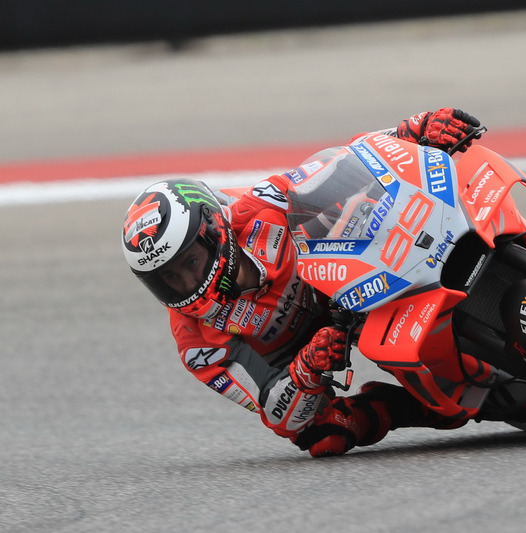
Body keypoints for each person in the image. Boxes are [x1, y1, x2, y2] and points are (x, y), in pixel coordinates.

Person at [122, 108, 483, 457]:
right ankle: (410, 407)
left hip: (348, 277)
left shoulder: (257, 207)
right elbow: (275, 412)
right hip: (307, 350)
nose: (186, 283)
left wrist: (410, 132)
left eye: (191, 262)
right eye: (168, 278)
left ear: (216, 234)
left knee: (403, 192)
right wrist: (306, 370)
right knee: (323, 436)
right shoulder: (197, 345)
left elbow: (345, 164)